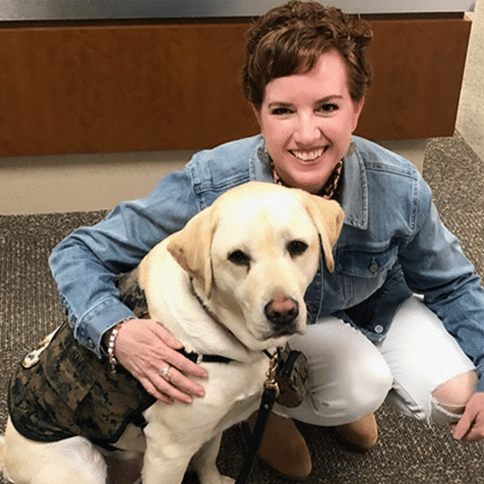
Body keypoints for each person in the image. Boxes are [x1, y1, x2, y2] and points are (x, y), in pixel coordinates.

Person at [49, 1, 484, 480]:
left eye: (327, 107)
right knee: (361, 383)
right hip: (262, 328)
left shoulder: (399, 185)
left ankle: (318, 391)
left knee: (456, 397)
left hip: (371, 308)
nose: (306, 133)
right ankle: (261, 404)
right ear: (258, 113)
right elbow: (78, 250)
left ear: (357, 109)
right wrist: (114, 331)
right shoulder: (212, 185)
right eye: (282, 110)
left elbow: (454, 285)